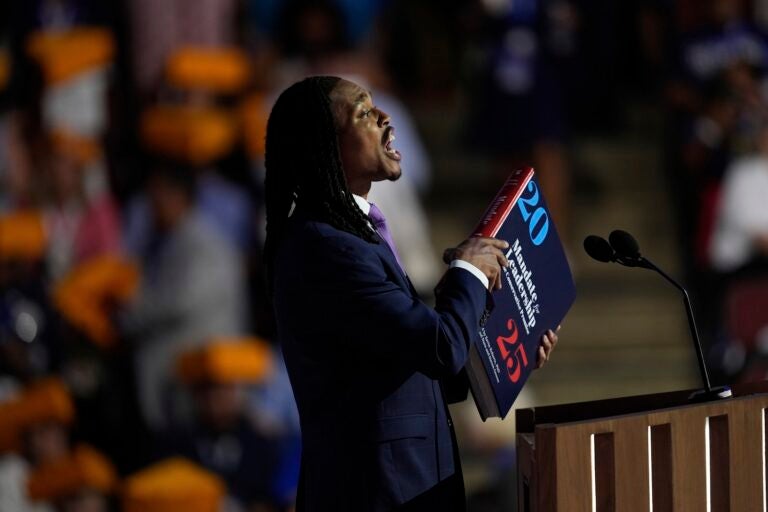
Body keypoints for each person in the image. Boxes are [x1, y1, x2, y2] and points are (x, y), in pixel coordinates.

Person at [264, 76, 559, 511]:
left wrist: (508, 349)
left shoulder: (353, 235)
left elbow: (414, 365)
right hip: (376, 494)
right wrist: (467, 270)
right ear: (326, 145)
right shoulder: (328, 247)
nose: (386, 118)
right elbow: (439, 348)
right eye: (365, 112)